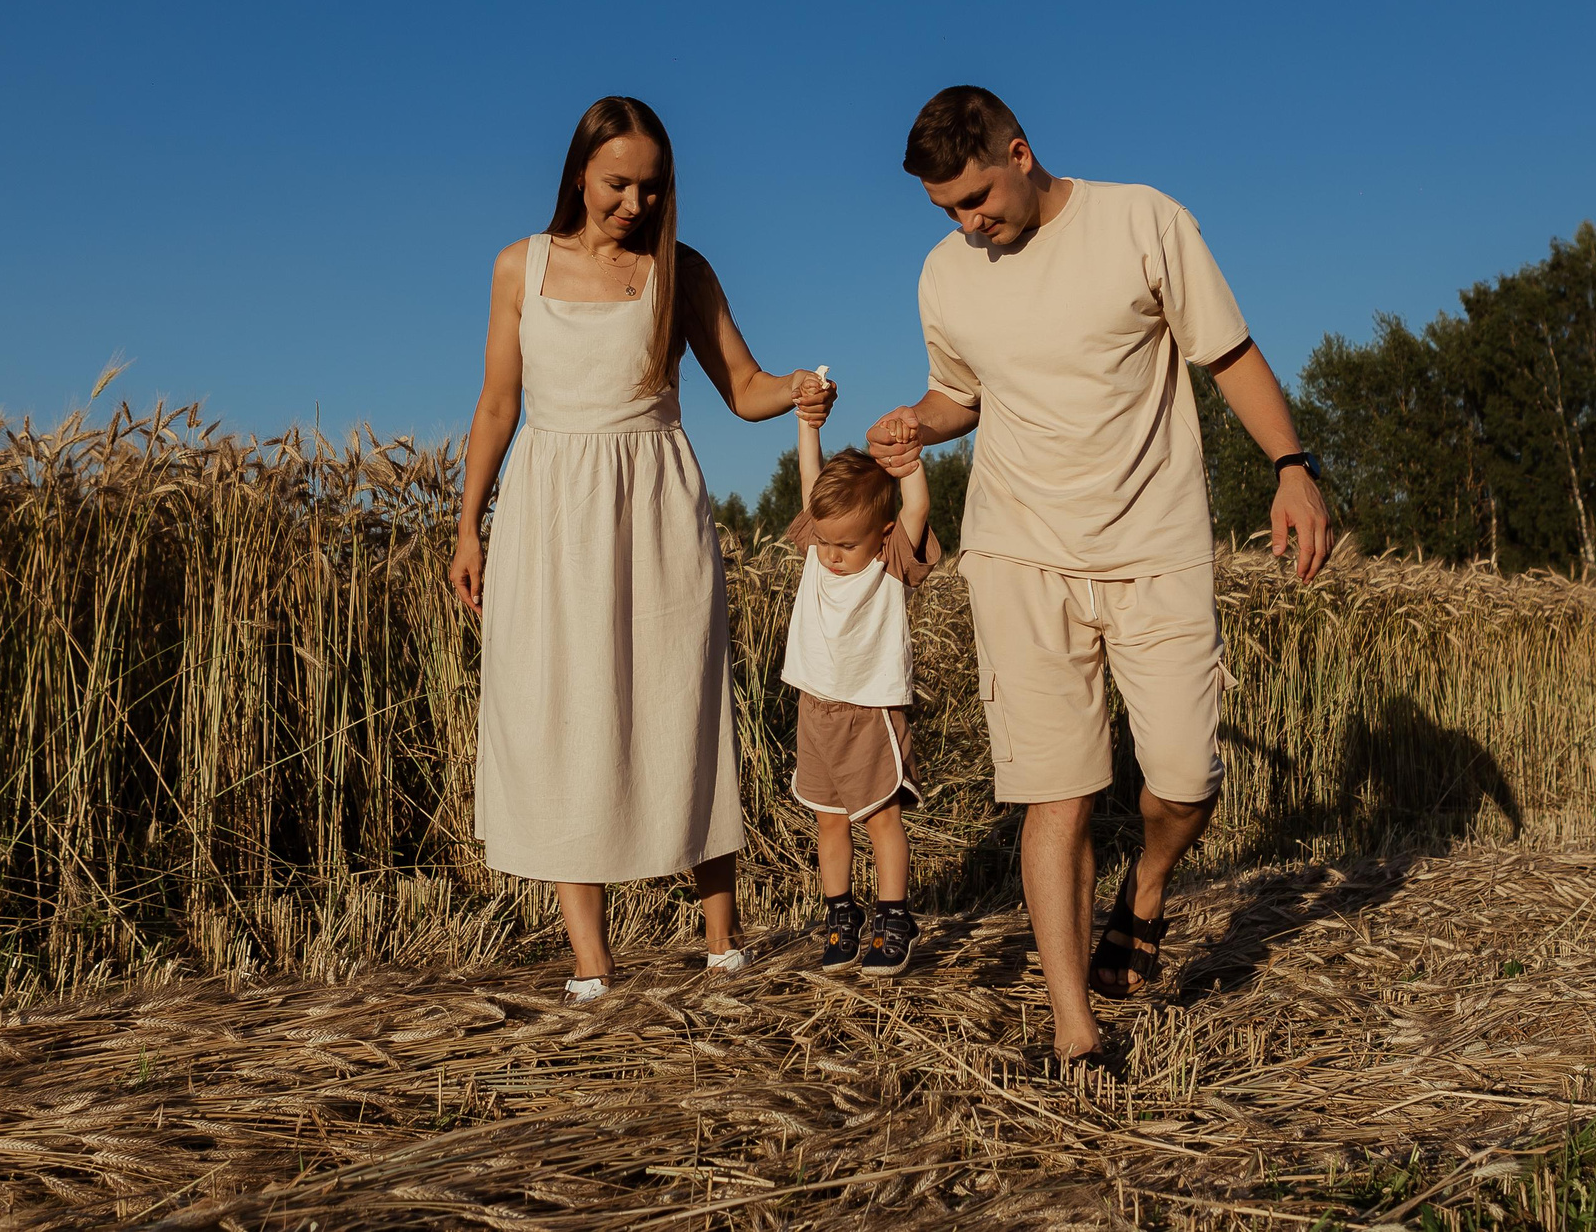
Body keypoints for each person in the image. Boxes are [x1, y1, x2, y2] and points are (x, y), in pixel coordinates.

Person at [867, 85, 1333, 1065]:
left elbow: (1230, 354)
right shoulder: (944, 273)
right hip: (1019, 551)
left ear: (1019, 152)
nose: (968, 224)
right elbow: (959, 394)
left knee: (1185, 781)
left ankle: (1149, 884)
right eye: (947, 211)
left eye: (975, 199)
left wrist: (1291, 467)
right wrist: (918, 423)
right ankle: (1075, 1030)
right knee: (1057, 793)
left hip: (1154, 547)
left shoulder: (1142, 221)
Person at [451, 96, 835, 1004]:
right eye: (617, 183)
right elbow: (498, 404)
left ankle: (721, 939)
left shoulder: (681, 270)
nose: (635, 203)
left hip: (656, 503)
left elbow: (743, 385)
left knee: (680, 698)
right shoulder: (519, 266)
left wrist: (798, 387)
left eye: (652, 187)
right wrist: (468, 524)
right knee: (560, 710)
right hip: (548, 510)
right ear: (579, 172)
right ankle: (592, 959)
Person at [781, 397, 941, 977]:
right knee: (828, 818)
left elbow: (916, 505)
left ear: (883, 534)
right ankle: (841, 916)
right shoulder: (819, 549)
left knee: (881, 819)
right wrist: (808, 426)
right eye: (825, 541)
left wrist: (907, 459)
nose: (831, 555)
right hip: (815, 708)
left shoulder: (891, 560)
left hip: (869, 712)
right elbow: (812, 484)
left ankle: (894, 918)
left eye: (846, 545)